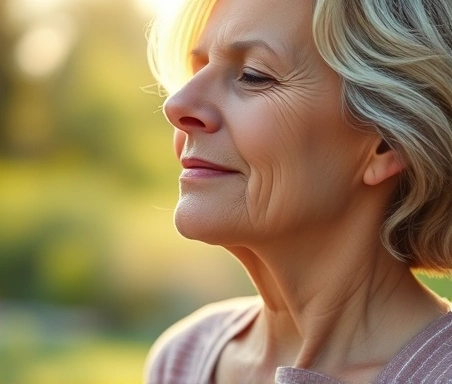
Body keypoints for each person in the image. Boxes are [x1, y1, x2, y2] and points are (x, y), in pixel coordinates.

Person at [144, 0, 452, 382]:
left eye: (253, 76)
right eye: (200, 67)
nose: (177, 104)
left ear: (387, 143)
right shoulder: (183, 360)